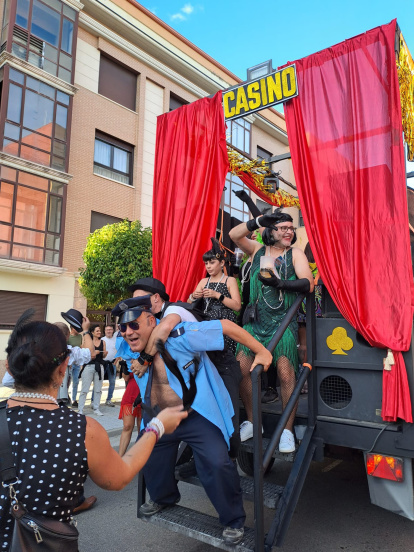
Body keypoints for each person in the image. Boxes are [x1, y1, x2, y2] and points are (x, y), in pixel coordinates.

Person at [0, 309, 187, 550]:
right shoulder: (82, 430)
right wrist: (157, 426)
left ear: (10, 366)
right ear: (63, 367)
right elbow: (119, 477)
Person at [112, 296, 272, 546]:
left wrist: (262, 352)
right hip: (159, 417)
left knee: (217, 464)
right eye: (123, 327)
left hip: (195, 413)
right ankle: (164, 498)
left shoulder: (180, 336)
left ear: (152, 321)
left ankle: (233, 520)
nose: (128, 332)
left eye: (134, 325)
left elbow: (226, 327)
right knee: (149, 457)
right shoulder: (127, 346)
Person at [128, 277, 243, 459]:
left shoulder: (173, 310)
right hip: (200, 373)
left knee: (228, 425)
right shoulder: (150, 321)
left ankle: (227, 469)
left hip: (221, 366)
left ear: (156, 298)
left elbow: (165, 328)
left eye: (141, 300)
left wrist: (144, 359)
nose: (136, 306)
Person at [229, 209, 314, 452]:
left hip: (281, 322)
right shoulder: (256, 250)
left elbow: (308, 282)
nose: (289, 231)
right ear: (271, 230)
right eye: (283, 228)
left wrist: (279, 283)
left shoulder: (295, 253)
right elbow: (235, 235)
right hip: (254, 325)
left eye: (291, 228)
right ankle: (254, 422)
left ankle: (287, 431)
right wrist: (257, 221)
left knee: (287, 375)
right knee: (242, 370)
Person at [188, 239, 241, 354]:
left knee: (225, 355)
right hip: (206, 319)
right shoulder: (203, 281)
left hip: (225, 321)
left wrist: (217, 295)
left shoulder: (229, 280)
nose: (208, 266)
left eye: (212, 263)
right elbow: (188, 304)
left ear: (222, 263)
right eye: (206, 263)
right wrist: (193, 296)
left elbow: (237, 306)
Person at [61, 308, 95, 409]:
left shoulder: (37, 349)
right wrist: (85, 330)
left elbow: (10, 380)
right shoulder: (68, 352)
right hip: (57, 399)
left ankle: (73, 398)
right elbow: (91, 353)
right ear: (67, 336)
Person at [77, 324, 107, 416]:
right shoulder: (86, 341)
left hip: (99, 366)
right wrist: (93, 352)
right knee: (84, 389)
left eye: (99, 331)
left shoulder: (103, 342)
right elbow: (83, 354)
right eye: (97, 331)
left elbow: (104, 356)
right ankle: (80, 410)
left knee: (98, 389)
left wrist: (105, 353)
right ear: (92, 332)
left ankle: (96, 408)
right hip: (89, 366)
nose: (99, 332)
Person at [101, 325, 118, 407]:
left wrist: (117, 360)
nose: (109, 331)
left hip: (112, 364)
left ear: (112, 331)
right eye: (107, 330)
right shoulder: (102, 340)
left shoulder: (116, 339)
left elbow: (119, 350)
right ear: (104, 331)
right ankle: (94, 400)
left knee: (112, 382)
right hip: (103, 363)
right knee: (99, 382)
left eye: (110, 329)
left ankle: (109, 400)